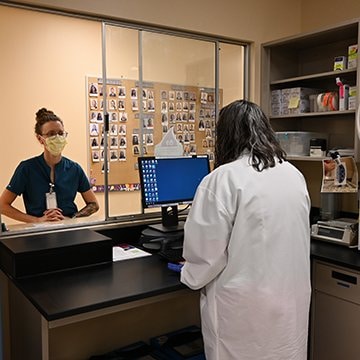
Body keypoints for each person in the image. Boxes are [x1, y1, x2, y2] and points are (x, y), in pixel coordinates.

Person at [180, 100, 311, 360]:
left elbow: (205, 259)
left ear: (225, 136)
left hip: (243, 313)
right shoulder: (293, 174)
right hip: (288, 303)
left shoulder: (222, 179)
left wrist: (187, 272)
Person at [0, 108, 99, 223]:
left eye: (61, 133)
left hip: (69, 230)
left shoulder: (74, 169)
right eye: (51, 134)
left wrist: (70, 219)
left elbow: (94, 205)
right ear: (40, 139)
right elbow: (3, 205)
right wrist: (37, 220)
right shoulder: (27, 169)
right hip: (39, 233)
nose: (57, 137)